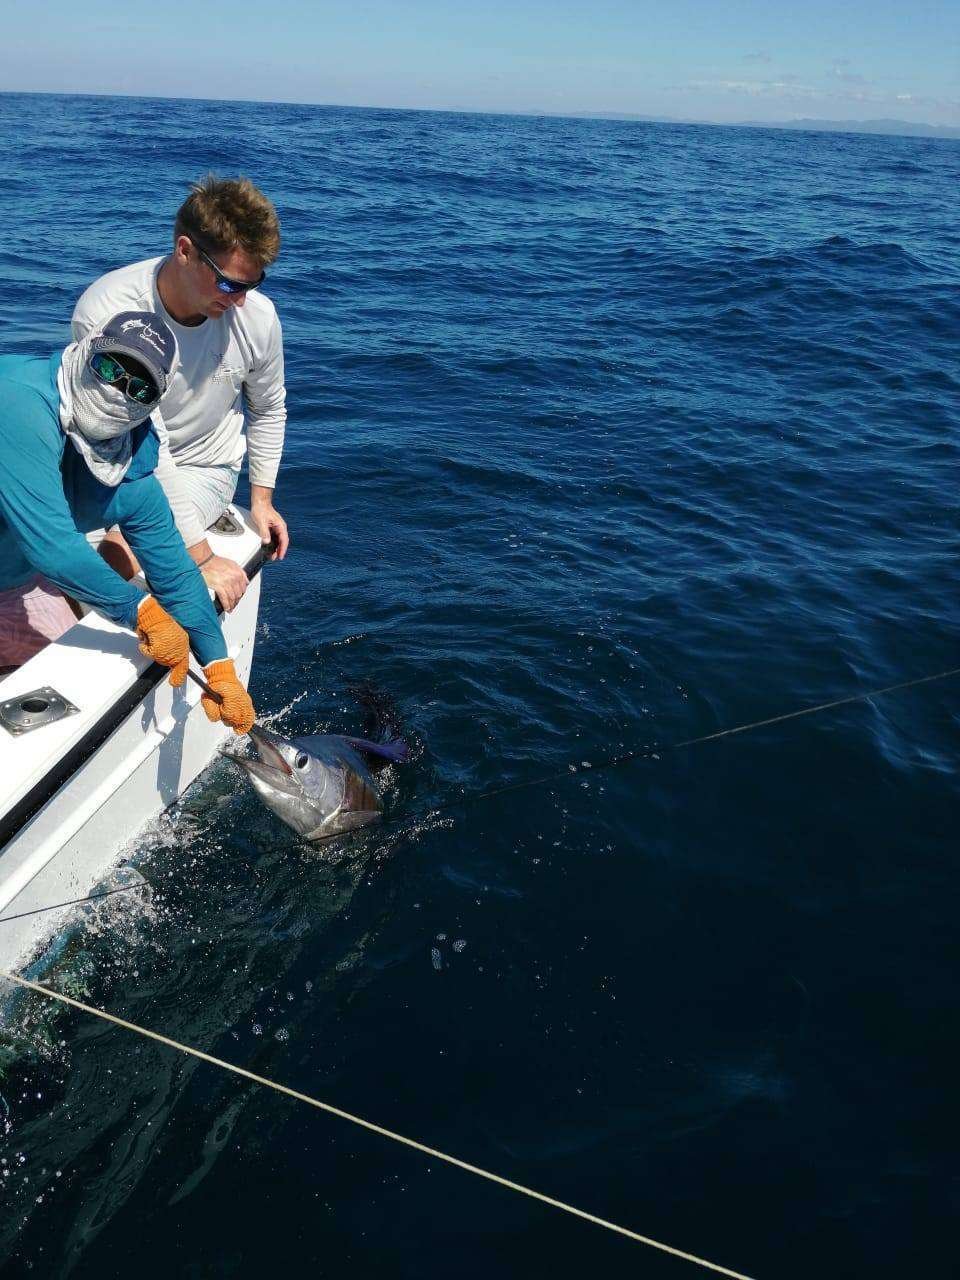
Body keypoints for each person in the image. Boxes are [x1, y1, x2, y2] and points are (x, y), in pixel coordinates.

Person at [0, 310, 255, 736]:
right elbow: (54, 547)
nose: (118, 391)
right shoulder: (18, 403)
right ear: (87, 351)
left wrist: (219, 666)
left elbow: (177, 578)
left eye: (139, 386)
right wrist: (142, 613)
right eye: (109, 366)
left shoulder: (133, 476)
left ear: (154, 403)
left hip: (16, 585)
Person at [72, 175, 289, 613]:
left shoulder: (259, 320)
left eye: (253, 284)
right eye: (230, 284)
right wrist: (199, 556)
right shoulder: (109, 310)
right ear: (185, 250)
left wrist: (260, 500)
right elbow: (144, 442)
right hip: (110, 458)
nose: (242, 301)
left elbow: (267, 408)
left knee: (125, 544)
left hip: (202, 466)